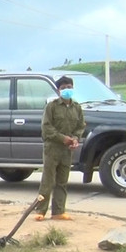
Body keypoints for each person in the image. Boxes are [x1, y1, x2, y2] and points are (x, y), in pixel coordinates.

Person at [35, 75, 86, 221]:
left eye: (69, 87)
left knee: (62, 181)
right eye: (63, 88)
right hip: (53, 148)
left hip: (67, 150)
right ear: (58, 91)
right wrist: (63, 139)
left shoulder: (77, 107)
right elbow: (46, 128)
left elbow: (80, 126)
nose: (67, 90)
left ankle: (58, 211)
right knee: (48, 180)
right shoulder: (52, 106)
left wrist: (75, 139)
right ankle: (40, 210)